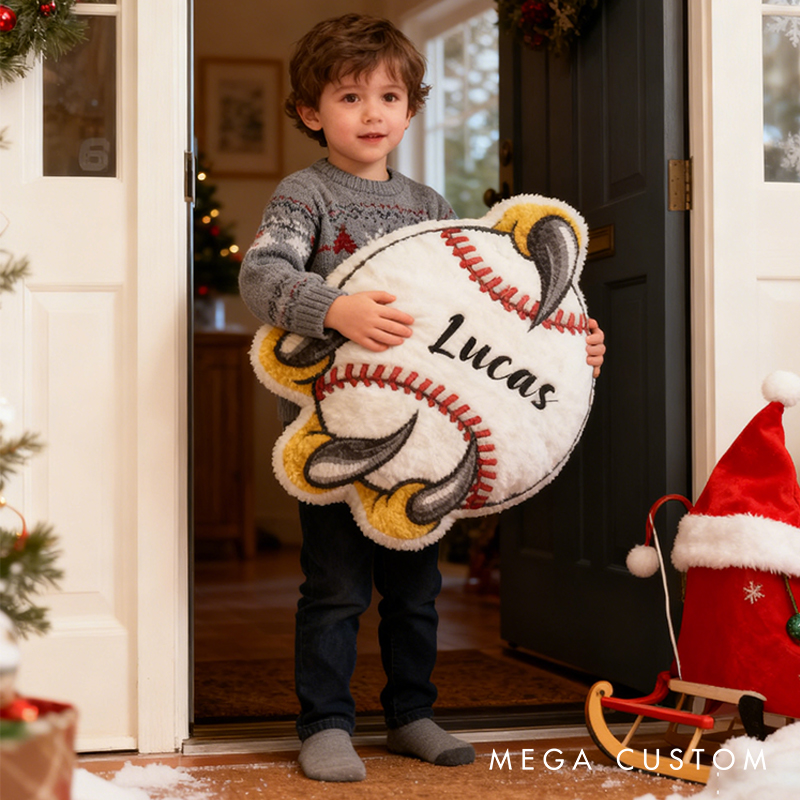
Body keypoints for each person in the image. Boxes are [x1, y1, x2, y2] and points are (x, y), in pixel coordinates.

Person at [238, 13, 606, 783]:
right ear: (311, 112)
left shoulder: (432, 205)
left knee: (415, 589)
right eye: (349, 97)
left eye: (389, 97)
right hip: (337, 438)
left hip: (430, 440)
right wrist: (332, 309)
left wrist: (571, 350)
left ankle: (411, 713)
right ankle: (326, 722)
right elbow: (261, 276)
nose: (371, 114)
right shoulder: (305, 194)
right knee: (335, 588)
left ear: (410, 109)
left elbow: (487, 317)